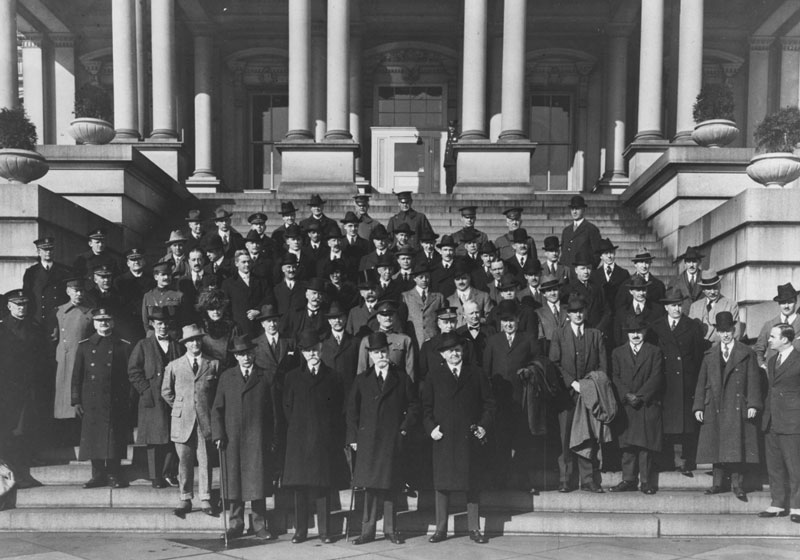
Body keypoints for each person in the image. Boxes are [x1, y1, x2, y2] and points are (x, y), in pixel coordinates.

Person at [346, 332, 420, 545]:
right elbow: (351, 411)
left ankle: (391, 530)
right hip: (368, 441)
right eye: (376, 353)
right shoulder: (362, 379)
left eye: (383, 352)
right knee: (370, 487)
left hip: (391, 440)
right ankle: (367, 531)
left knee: (390, 486)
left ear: (388, 353)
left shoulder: (401, 378)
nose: (380, 356)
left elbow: (414, 406)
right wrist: (353, 437)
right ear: (370, 355)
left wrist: (403, 429)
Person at [423, 332, 495, 544]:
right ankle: (441, 529)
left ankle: (474, 528)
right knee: (442, 484)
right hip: (443, 437)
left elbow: (489, 404)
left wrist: (483, 426)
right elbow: (426, 408)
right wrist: (431, 429)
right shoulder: (433, 375)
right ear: (443, 354)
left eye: (457, 349)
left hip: (468, 438)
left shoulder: (476, 373)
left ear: (462, 350)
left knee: (471, 483)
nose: (454, 353)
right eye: (449, 351)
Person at [212, 335, 281, 540]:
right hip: (232, 439)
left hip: (257, 439)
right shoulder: (227, 377)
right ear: (236, 356)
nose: (246, 357)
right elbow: (217, 409)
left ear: (254, 353)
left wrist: (274, 437)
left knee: (257, 482)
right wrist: (218, 434)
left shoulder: (265, 376)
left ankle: (259, 525)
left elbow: (274, 412)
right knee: (234, 483)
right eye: (241, 354)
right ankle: (236, 524)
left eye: (249, 353)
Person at [282, 330, 345, 544]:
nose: (312, 354)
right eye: (307, 351)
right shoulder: (292, 377)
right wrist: (299, 428)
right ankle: (301, 530)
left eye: (315, 350)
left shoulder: (333, 377)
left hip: (323, 439)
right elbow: (287, 407)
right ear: (302, 353)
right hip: (299, 440)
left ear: (321, 350)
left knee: (323, 486)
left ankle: (325, 531)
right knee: (300, 487)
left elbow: (338, 409)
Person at [693, 311, 761, 502]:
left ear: (734, 330)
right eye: (722, 331)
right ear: (717, 332)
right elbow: (701, 382)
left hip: (736, 404)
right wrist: (698, 406)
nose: (725, 335)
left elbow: (753, 380)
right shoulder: (710, 354)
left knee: (736, 445)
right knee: (716, 444)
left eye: (728, 330)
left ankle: (738, 485)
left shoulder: (746, 353)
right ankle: (717, 483)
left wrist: (753, 403)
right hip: (714, 404)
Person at [549, 294, 608, 492]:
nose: (578, 315)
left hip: (589, 393)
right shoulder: (559, 334)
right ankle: (565, 478)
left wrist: (590, 386)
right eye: (574, 312)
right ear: (568, 314)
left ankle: (588, 479)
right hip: (567, 394)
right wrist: (572, 383)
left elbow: (603, 366)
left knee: (587, 435)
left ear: (586, 312)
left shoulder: (595, 334)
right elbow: (554, 363)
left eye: (581, 311)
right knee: (565, 436)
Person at [483, 299, 542, 491]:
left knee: (522, 440)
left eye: (512, 320)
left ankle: (523, 480)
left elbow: (538, 363)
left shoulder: (527, 339)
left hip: (522, 399)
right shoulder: (493, 341)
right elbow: (486, 370)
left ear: (518, 320)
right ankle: (500, 480)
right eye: (505, 320)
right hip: (499, 400)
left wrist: (529, 371)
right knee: (501, 440)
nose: (508, 324)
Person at [161, 324, 219, 518]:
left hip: (205, 421)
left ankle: (205, 497)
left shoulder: (213, 364)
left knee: (205, 460)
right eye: (191, 341)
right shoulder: (174, 366)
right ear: (185, 343)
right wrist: (180, 407)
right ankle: (185, 498)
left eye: (198, 340)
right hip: (182, 421)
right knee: (184, 461)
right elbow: (166, 391)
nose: (195, 343)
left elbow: (217, 393)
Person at [71, 307, 132, 489]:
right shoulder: (84, 346)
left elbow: (129, 376)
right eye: (99, 320)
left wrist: (129, 400)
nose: (103, 323)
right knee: (93, 438)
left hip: (115, 399)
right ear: (94, 323)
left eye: (107, 320)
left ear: (112, 323)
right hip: (92, 401)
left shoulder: (123, 346)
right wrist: (76, 400)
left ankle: (113, 473)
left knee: (114, 437)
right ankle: (97, 475)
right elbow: (77, 376)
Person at [649, 288, 704, 476]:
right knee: (666, 422)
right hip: (665, 381)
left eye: (679, 305)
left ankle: (687, 461)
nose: (677, 309)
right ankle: (666, 460)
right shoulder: (656, 327)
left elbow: (697, 357)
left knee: (687, 423)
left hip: (685, 382)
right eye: (673, 305)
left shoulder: (692, 326)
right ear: (666, 307)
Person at [609, 315, 665, 495]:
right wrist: (627, 395)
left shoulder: (654, 351)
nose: (635, 335)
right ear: (626, 334)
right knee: (627, 446)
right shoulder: (618, 353)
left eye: (638, 332)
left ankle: (646, 482)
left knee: (645, 446)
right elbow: (615, 377)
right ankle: (628, 479)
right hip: (627, 405)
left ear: (645, 332)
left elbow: (656, 377)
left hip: (646, 404)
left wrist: (640, 396)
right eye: (631, 332)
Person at [127, 308, 181, 489]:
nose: (163, 327)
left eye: (165, 323)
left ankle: (169, 473)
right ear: (152, 324)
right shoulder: (143, 345)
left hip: (172, 398)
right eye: (159, 323)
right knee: (154, 439)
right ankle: (155, 475)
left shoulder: (177, 345)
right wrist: (145, 390)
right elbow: (133, 371)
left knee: (172, 437)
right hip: (152, 399)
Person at [0, 289, 47, 488]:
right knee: (9, 429)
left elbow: (42, 357)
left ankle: (24, 468)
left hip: (29, 387)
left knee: (26, 427)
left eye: (24, 304)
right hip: (7, 388)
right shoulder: (3, 329)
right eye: (18, 305)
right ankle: (15, 472)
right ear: (9, 306)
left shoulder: (35, 328)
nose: (22, 308)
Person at [760, 323, 800, 523]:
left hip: (793, 422)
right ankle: (777, 503)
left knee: (795, 467)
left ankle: (797, 507)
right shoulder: (772, 359)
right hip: (771, 420)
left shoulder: (798, 360)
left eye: (773, 337)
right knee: (774, 466)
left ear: (785, 339)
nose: (769, 340)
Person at [53, 278, 95, 425]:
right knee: (62, 391)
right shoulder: (59, 311)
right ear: (68, 291)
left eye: (81, 291)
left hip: (81, 357)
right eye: (75, 291)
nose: (79, 294)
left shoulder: (90, 312)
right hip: (63, 358)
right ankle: (63, 422)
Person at [22, 236, 72, 335]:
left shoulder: (64, 272)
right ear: (38, 252)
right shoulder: (31, 272)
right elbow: (27, 296)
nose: (48, 252)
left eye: (50, 249)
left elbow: (67, 298)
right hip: (37, 320)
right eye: (45, 250)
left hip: (58, 319)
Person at [356, 300, 415, 379]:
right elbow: (362, 370)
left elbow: (410, 370)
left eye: (390, 314)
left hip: (398, 382)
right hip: (374, 383)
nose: (388, 318)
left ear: (395, 317)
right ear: (378, 317)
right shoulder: (367, 340)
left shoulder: (405, 340)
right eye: (384, 315)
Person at [221, 249, 272, 336]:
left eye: (249, 262)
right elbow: (225, 307)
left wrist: (259, 310)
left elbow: (269, 298)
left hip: (259, 327)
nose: (247, 264)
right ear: (236, 263)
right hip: (239, 328)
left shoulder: (261, 280)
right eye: (243, 262)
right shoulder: (228, 283)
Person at [754, 283, 800, 370]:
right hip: (772, 374)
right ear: (779, 303)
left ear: (796, 301)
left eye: (790, 302)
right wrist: (763, 366)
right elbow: (758, 350)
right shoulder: (769, 325)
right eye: (783, 302)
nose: (786, 306)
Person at [114, 248, 156, 343]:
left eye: (139, 259)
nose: (136, 262)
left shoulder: (152, 280)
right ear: (128, 263)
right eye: (133, 260)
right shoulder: (120, 281)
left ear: (144, 261)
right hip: (128, 322)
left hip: (148, 322)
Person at [688, 271, 740, 346]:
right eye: (709, 288)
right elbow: (689, 333)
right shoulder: (695, 306)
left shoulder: (731, 305)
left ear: (720, 286)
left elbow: (735, 335)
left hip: (719, 350)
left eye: (715, 287)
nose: (712, 292)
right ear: (703, 290)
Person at [402, 261, 445, 347]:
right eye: (421, 277)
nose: (424, 280)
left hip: (433, 338)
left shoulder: (438, 297)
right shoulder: (406, 296)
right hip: (414, 339)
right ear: (414, 278)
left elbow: (443, 319)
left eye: (427, 277)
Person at [197, 288, 240, 368]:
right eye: (212, 309)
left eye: (218, 308)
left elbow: (239, 351)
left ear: (223, 308)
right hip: (207, 369)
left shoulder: (233, 327)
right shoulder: (201, 329)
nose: (215, 312)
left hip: (229, 369)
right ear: (206, 310)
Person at [141, 261, 185, 334]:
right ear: (156, 277)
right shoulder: (148, 296)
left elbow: (183, 319)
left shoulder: (178, 295)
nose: (166, 277)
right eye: (163, 275)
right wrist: (150, 334)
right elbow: (145, 321)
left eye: (169, 274)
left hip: (173, 335)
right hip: (153, 335)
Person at [589, 238, 630, 315]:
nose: (609, 256)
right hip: (600, 315)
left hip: (618, 314)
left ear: (614, 253)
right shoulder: (594, 275)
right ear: (601, 256)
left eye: (611, 252)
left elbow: (626, 296)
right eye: (606, 253)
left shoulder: (623, 273)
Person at [560, 195, 602, 270]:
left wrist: (588, 270)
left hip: (582, 273)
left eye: (577, 209)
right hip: (567, 272)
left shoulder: (591, 229)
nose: (574, 212)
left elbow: (597, 253)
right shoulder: (566, 231)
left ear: (584, 209)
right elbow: (564, 252)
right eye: (572, 209)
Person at [447, 261, 492, 327]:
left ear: (469, 278)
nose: (461, 282)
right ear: (454, 281)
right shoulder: (449, 300)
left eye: (464, 278)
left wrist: (476, 320)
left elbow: (490, 319)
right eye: (457, 279)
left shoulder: (483, 296)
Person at [536, 275, 567, 356]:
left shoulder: (568, 309)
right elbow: (541, 337)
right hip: (551, 353)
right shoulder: (539, 313)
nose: (552, 293)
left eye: (555, 289)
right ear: (544, 294)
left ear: (559, 290)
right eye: (549, 290)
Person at [668, 246, 705, 315]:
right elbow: (670, 302)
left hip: (701, 316)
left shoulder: (705, 278)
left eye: (694, 261)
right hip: (683, 317)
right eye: (688, 262)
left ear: (699, 262)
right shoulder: (675, 281)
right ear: (685, 263)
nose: (691, 265)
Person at [443, 120, 458, 191]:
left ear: (455, 127)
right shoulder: (449, 137)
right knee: (448, 182)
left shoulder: (457, 136)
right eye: (450, 126)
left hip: (453, 163)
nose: (451, 128)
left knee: (454, 181)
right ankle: (448, 195)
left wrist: (455, 159)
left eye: (453, 126)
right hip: (448, 163)